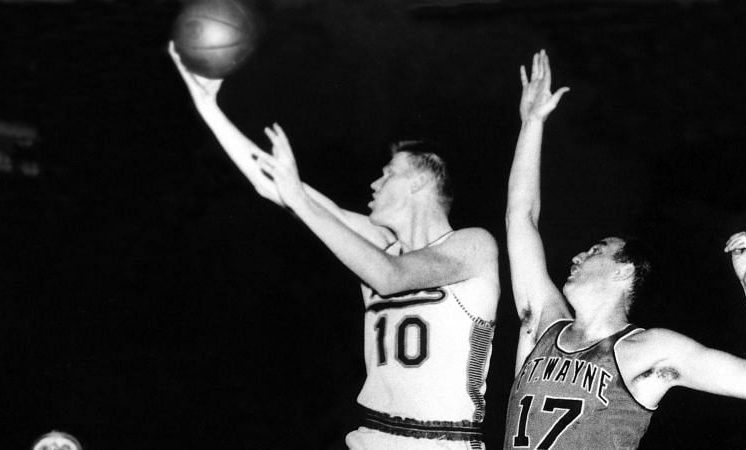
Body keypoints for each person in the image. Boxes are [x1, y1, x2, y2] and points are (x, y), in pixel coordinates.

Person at [169, 43, 500, 449]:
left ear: (420, 181)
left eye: (388, 173)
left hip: (440, 442)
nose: (374, 185)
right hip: (371, 436)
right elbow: (271, 184)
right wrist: (209, 108)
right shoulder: (379, 244)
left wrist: (301, 200)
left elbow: (389, 277)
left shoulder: (473, 246)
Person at [503, 50, 746, 449]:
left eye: (595, 250)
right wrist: (532, 122)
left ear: (624, 271)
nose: (577, 256)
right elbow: (521, 217)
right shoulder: (544, 321)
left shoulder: (647, 350)